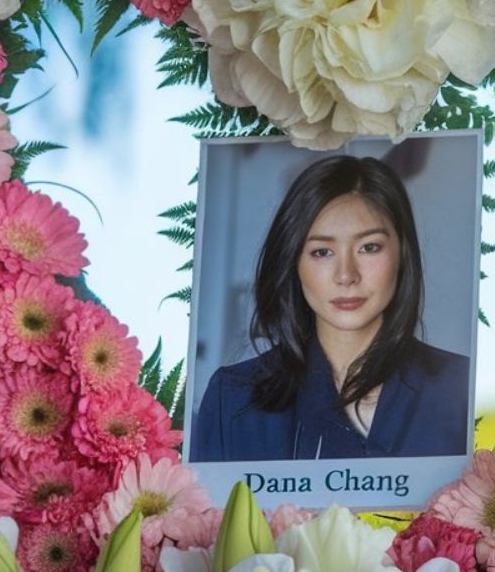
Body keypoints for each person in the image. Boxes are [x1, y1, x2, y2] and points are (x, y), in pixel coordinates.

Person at [189, 155, 470, 462]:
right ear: (292, 260)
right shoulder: (232, 398)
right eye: (322, 252)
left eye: (369, 247)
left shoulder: (457, 385)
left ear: (402, 252)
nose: (346, 275)